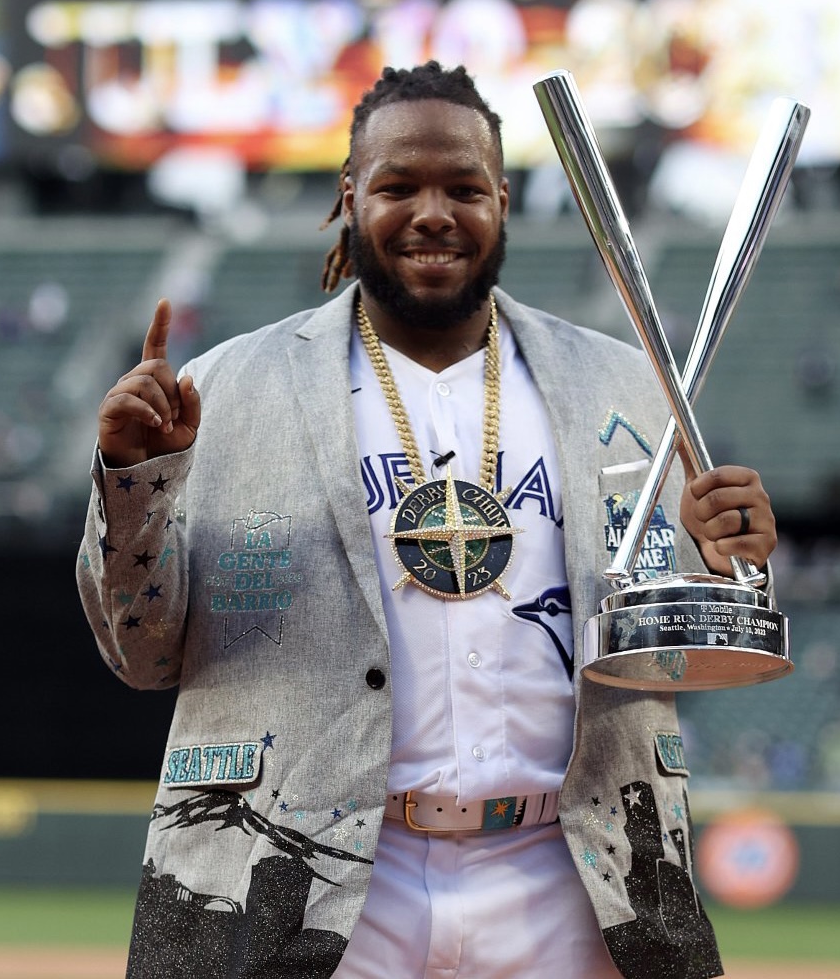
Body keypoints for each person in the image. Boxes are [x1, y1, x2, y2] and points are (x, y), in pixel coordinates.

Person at [78, 61, 776, 979]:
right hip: (313, 880)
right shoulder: (225, 389)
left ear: (502, 202)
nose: (433, 213)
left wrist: (726, 563)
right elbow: (139, 656)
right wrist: (134, 480)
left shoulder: (624, 387)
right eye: (398, 186)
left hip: (569, 883)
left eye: (464, 189)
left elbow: (673, 650)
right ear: (350, 196)